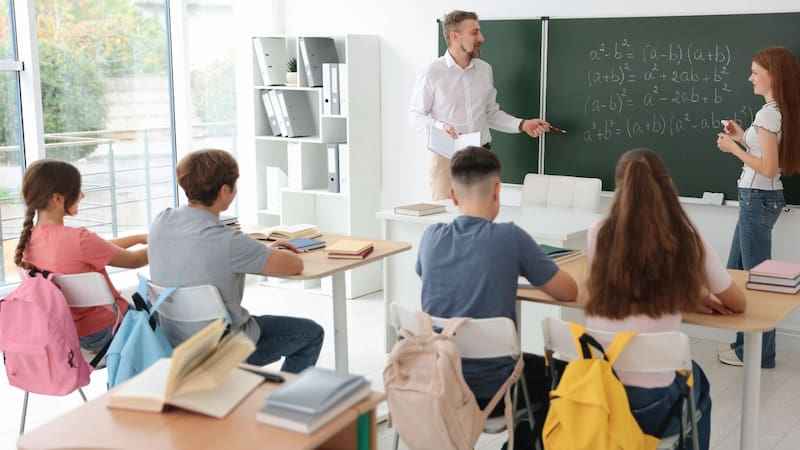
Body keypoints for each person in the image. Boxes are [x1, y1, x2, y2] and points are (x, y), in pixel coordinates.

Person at [586, 148, 747, 450]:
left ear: (619, 187)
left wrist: (687, 293)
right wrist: (693, 292)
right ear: (667, 185)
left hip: (597, 391)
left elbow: (629, 282)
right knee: (698, 380)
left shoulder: (598, 233)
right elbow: (738, 303)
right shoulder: (686, 240)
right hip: (653, 404)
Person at [415, 146, 578, 428]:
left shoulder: (430, 237)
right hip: (493, 393)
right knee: (564, 373)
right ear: (497, 190)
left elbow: (429, 277)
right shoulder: (510, 238)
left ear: (452, 195)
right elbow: (569, 292)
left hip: (438, 382)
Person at [147, 149, 323, 373]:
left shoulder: (161, 221)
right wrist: (263, 250)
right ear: (224, 190)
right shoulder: (229, 241)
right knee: (311, 334)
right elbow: (295, 265)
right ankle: (281, 405)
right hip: (224, 346)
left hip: (174, 340)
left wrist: (258, 251)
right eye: (235, 185)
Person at [408, 10, 551, 201]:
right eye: (474, 32)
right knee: (448, 220)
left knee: (483, 218)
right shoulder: (432, 71)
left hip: (482, 155)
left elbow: (490, 113)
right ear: (455, 36)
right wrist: (441, 126)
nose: (481, 38)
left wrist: (522, 124)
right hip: (446, 159)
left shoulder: (485, 70)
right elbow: (416, 116)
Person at [716, 46, 800, 368]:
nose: (749, 78)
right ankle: (743, 349)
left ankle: (760, 355)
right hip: (759, 199)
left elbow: (767, 168)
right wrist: (741, 137)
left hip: (757, 198)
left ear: (772, 76)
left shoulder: (768, 114)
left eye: (755, 72)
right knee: (737, 273)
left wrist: (732, 149)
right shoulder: (778, 111)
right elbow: (768, 156)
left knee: (756, 282)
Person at [15, 159, 148, 354]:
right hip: (111, 331)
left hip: (67, 337)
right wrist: (166, 242)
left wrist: (138, 238)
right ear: (58, 199)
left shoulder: (27, 242)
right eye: (78, 190)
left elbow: (102, 249)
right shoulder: (79, 239)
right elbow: (134, 261)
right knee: (166, 315)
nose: (82, 195)